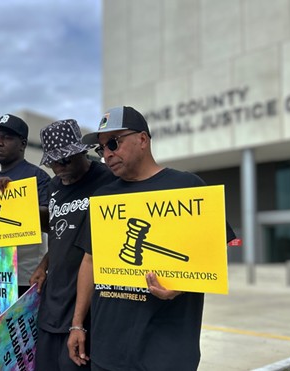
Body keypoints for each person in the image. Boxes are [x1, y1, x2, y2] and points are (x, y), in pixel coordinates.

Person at [66, 106, 237, 370]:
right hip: (107, 352)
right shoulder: (102, 198)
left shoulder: (187, 187)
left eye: (114, 143)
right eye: (102, 149)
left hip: (166, 351)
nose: (108, 154)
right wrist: (77, 324)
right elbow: (90, 261)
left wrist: (182, 284)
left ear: (143, 140)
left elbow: (215, 251)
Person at [28, 119, 116, 371]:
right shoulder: (55, 186)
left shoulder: (108, 179)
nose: (60, 166)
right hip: (53, 302)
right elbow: (58, 234)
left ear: (81, 151)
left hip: (88, 305)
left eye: (66, 159)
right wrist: (43, 264)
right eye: (54, 161)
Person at [0, 114, 51, 296]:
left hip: (26, 277)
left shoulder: (37, 177)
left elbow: (50, 222)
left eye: (6, 137)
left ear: (22, 144)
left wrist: (14, 200)